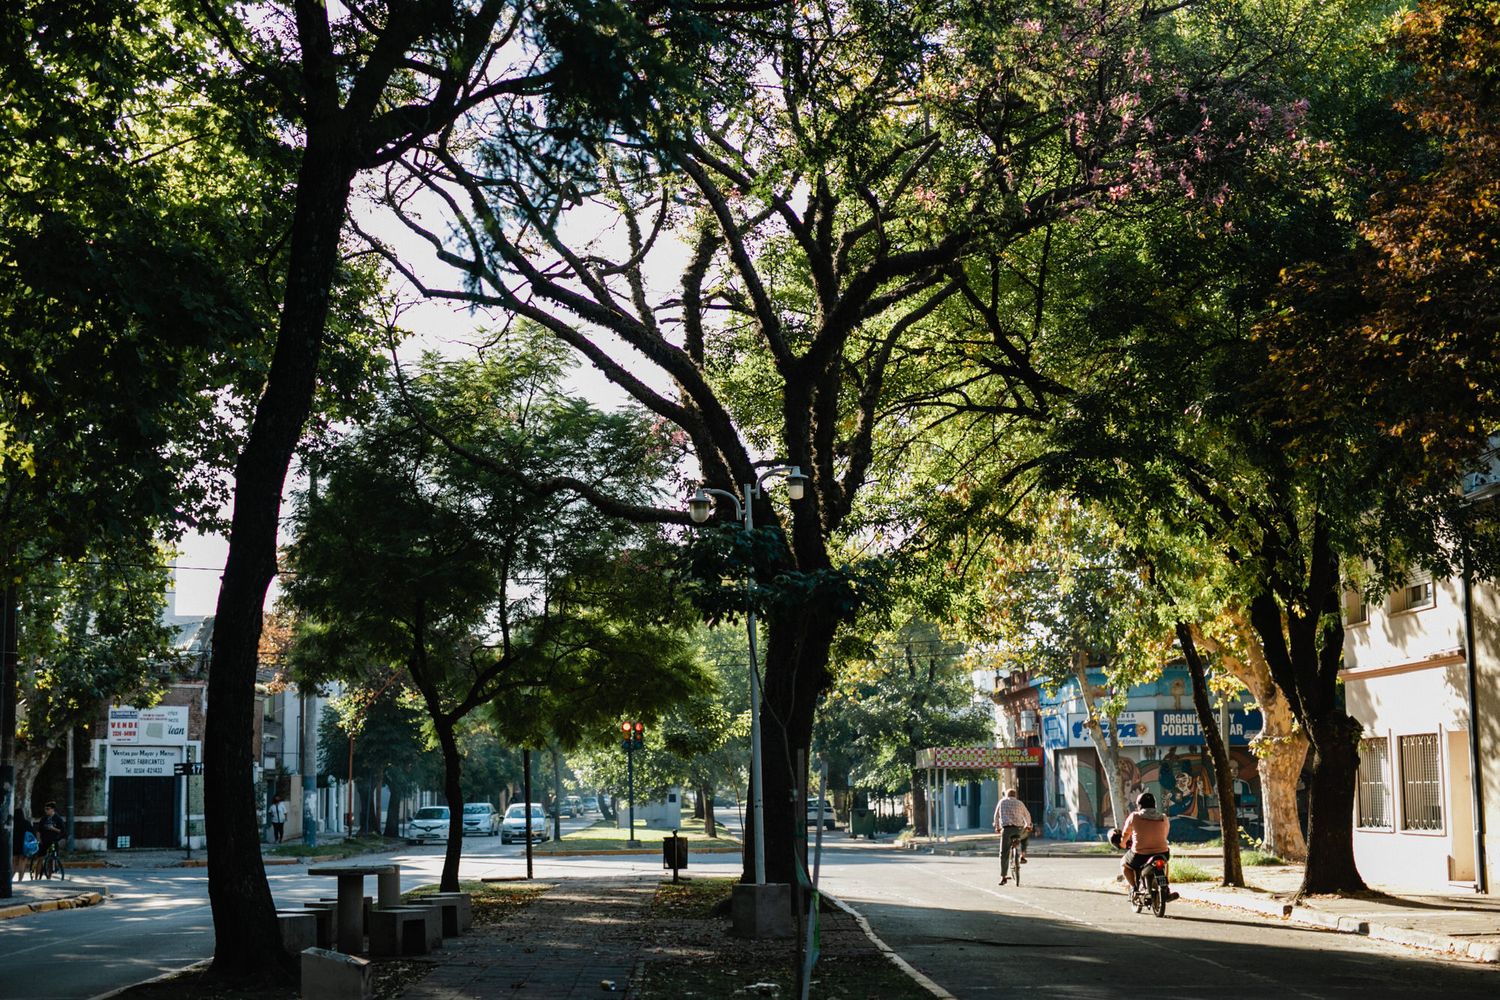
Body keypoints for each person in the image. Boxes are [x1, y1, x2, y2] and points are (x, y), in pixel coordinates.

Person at [1118, 791, 1177, 900]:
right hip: (1162, 852)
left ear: (1139, 805)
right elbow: (1165, 833)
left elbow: (1126, 834)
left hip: (1140, 855)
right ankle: (1166, 889)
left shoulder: (1134, 816)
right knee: (1165, 864)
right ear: (1154, 805)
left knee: (1123, 863)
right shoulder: (1163, 817)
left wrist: (1122, 844)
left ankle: (1135, 888)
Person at [993, 787, 1033, 884]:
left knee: (1004, 853)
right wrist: (1028, 825)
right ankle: (1022, 853)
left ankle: (1003, 877)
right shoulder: (1020, 803)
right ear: (1015, 795)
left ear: (1006, 795)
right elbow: (1027, 815)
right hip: (1019, 830)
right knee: (1026, 834)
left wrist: (997, 827)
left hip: (1006, 830)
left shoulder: (1002, 802)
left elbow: (996, 816)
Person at [11, 806, 32, 882]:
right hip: (24, 846)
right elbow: (32, 834)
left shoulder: (13, 824)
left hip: (15, 846)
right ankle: (20, 880)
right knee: (22, 863)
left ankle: (10, 879)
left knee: (14, 863)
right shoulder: (26, 823)